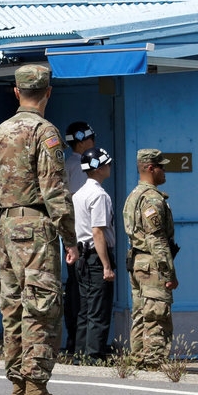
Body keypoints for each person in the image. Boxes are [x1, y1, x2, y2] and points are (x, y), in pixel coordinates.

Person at [0, 65, 81, 395]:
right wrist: (70, 238)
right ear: (48, 92)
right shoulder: (45, 132)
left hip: (6, 227)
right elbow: (54, 189)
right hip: (36, 226)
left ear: (16, 92)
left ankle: (18, 387)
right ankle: (36, 389)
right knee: (41, 307)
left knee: (12, 308)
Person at [123, 148, 178, 369]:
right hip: (152, 264)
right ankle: (154, 363)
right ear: (150, 168)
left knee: (140, 314)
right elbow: (157, 239)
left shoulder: (134, 196)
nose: (165, 171)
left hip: (138, 263)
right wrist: (168, 272)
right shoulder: (152, 199)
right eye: (161, 167)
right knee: (157, 315)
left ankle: (138, 360)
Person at [72, 147, 116, 363]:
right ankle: (94, 356)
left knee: (84, 308)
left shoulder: (79, 194)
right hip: (96, 256)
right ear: (98, 168)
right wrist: (107, 265)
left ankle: (80, 354)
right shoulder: (99, 195)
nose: (109, 166)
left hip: (81, 255)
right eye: (106, 163)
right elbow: (98, 231)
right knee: (99, 307)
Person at [62, 121, 95, 354]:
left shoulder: (70, 164)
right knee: (80, 291)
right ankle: (78, 344)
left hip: (73, 237)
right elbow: (79, 205)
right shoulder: (78, 166)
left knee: (76, 288)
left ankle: (76, 342)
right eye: (92, 138)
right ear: (82, 140)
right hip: (80, 239)